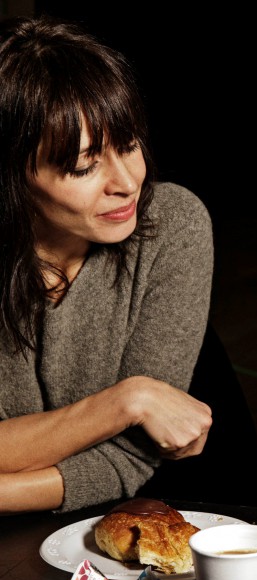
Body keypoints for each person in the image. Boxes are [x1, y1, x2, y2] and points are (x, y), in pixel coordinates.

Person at [0, 17, 214, 513]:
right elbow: (128, 424)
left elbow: (131, 457)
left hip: (143, 520)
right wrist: (126, 401)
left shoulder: (173, 223)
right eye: (83, 166)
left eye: (129, 145)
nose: (126, 182)